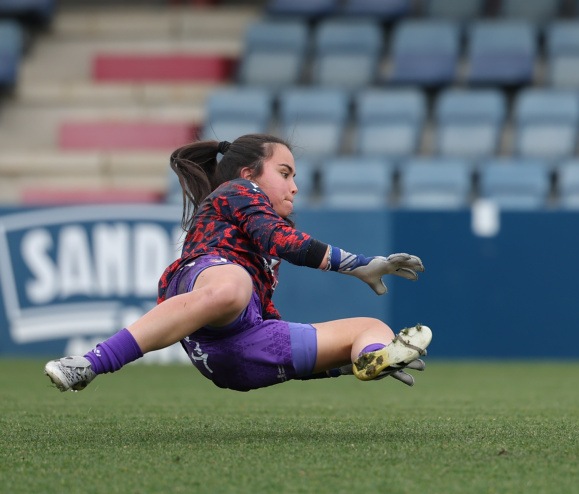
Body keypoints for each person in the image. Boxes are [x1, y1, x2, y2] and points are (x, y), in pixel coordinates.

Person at [44, 133, 431, 392]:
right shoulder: (237, 191)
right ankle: (90, 363)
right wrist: (360, 264)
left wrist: (339, 361)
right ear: (249, 175)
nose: (294, 186)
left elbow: (265, 306)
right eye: (285, 173)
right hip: (211, 298)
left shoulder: (257, 254)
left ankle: (369, 356)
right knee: (234, 286)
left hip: (241, 349)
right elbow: (280, 240)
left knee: (373, 326)